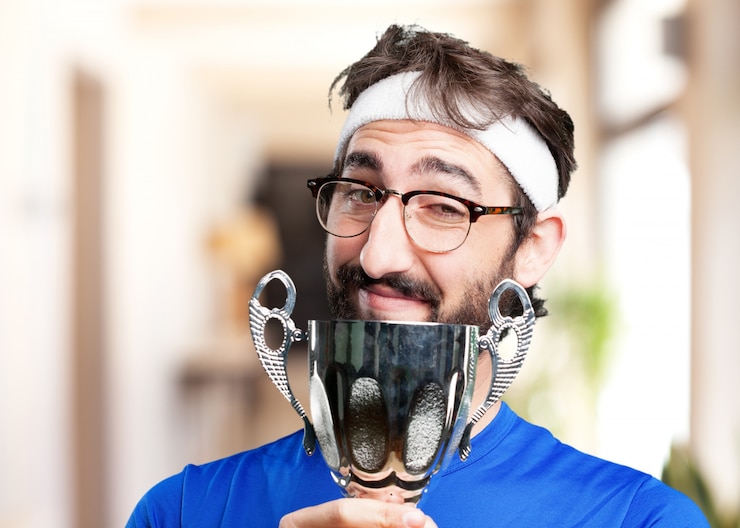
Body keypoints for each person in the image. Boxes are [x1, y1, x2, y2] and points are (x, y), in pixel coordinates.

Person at [127, 24, 708, 527]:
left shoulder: (639, 520)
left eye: (443, 206)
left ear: (532, 247)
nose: (377, 256)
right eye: (360, 192)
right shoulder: (181, 512)